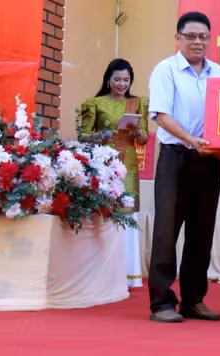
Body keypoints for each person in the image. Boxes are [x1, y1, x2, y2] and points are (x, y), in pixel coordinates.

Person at [146, 11, 220, 323]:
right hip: (176, 157)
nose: (197, 42)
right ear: (178, 38)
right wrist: (192, 139)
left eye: (203, 36)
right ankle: (161, 302)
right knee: (166, 230)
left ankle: (193, 299)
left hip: (209, 159)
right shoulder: (165, 70)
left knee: (202, 231)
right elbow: (162, 116)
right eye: (190, 36)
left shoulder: (218, 72)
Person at [80, 58, 149, 288]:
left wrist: (138, 130)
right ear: (108, 80)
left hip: (128, 165)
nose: (122, 84)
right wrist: (102, 136)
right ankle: (102, 271)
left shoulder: (138, 104)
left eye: (126, 80)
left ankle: (129, 273)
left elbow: (144, 140)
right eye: (117, 79)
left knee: (128, 214)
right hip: (103, 164)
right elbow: (83, 136)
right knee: (103, 212)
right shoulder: (95, 103)